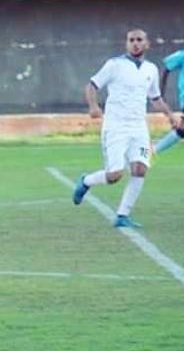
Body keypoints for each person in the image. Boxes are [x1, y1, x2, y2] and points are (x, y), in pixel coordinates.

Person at [72, 28, 178, 228]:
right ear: (127, 43)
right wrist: (93, 106)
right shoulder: (114, 65)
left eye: (139, 40)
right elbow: (92, 85)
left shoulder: (151, 69)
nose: (135, 43)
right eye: (131, 40)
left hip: (139, 128)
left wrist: (170, 116)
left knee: (141, 168)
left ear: (147, 44)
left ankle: (122, 215)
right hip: (116, 127)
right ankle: (86, 181)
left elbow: (155, 98)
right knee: (115, 175)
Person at [153, 47, 184, 154]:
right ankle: (150, 152)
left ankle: (151, 152)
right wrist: (161, 93)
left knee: (181, 131)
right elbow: (166, 69)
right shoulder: (182, 55)